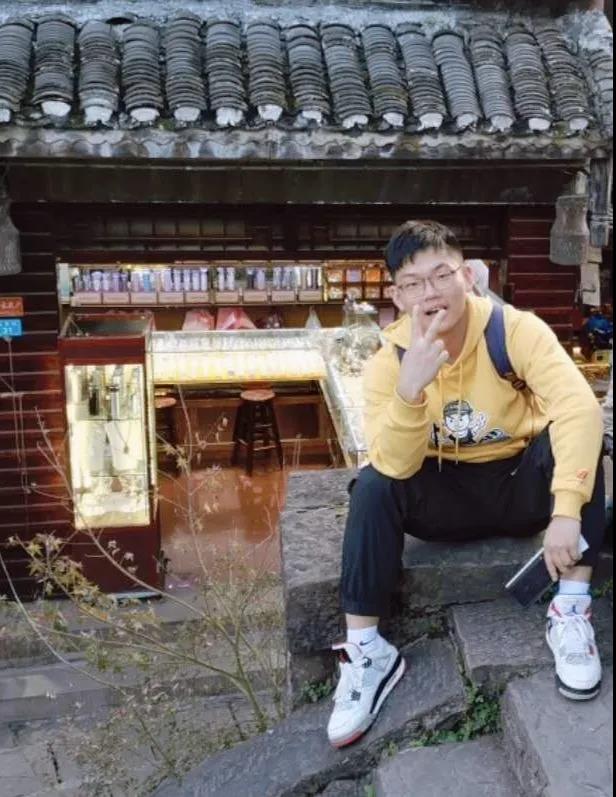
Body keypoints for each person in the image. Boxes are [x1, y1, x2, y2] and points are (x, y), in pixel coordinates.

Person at [327, 220, 606, 749]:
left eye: (442, 275)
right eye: (413, 283)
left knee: (580, 435)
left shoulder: (514, 331)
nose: (430, 293)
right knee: (372, 485)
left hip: (518, 484)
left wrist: (566, 510)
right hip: (442, 498)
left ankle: (570, 607)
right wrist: (410, 392)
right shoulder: (388, 362)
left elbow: (577, 407)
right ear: (397, 296)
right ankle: (366, 650)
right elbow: (393, 465)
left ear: (468, 277)